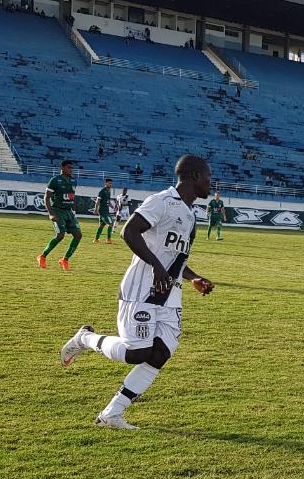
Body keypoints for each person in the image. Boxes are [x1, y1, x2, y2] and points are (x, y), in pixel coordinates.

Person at [59, 155, 215, 429]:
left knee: (160, 354)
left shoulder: (190, 215)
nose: (210, 184)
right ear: (194, 176)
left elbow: (174, 257)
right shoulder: (162, 201)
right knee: (137, 352)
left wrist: (193, 278)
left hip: (170, 296)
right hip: (142, 289)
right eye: (208, 178)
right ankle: (84, 338)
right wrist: (156, 266)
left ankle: (111, 414)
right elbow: (129, 232)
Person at [37, 161, 82, 270]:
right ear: (62, 168)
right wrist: (51, 213)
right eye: (69, 167)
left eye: (72, 168)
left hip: (69, 212)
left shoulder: (73, 181)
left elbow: (72, 197)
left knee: (78, 235)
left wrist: (74, 211)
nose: (71, 170)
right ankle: (42, 256)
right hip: (57, 211)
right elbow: (46, 197)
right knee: (60, 235)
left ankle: (64, 260)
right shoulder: (55, 180)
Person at [92, 178, 116, 244]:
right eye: (109, 183)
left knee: (102, 225)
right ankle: (108, 239)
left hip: (106, 210)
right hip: (103, 211)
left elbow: (108, 201)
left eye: (111, 183)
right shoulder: (102, 191)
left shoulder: (109, 191)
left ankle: (96, 239)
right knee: (111, 223)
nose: (110, 184)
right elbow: (98, 201)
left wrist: (113, 207)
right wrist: (96, 209)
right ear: (105, 183)